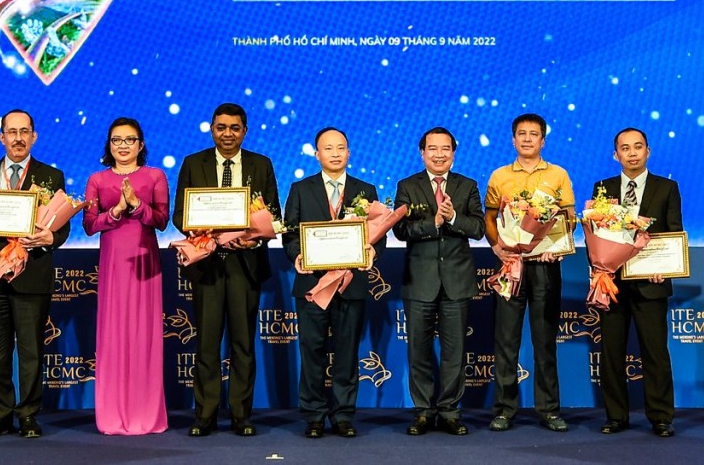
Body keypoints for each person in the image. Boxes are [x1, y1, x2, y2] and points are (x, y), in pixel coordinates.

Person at [172, 103, 280, 437]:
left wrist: (253, 238)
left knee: (243, 344)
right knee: (206, 343)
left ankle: (241, 415)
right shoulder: (193, 163)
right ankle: (204, 415)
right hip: (207, 266)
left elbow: (273, 214)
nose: (227, 134)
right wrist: (195, 229)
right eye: (221, 127)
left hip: (245, 265)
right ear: (211, 129)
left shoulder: (261, 164)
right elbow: (180, 214)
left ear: (245, 131)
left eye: (234, 127)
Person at [0, 110, 69, 439]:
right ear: (2, 137)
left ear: (34, 137)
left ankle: (28, 415)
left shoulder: (51, 176)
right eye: (12, 132)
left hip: (32, 273)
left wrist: (51, 237)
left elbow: (61, 227)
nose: (18, 138)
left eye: (25, 132)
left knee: (31, 349)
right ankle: (0, 413)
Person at [282, 127, 381, 439]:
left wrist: (372, 251)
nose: (335, 153)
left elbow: (378, 234)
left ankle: (343, 416)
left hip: (349, 284)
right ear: (317, 154)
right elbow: (290, 234)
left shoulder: (366, 190)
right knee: (312, 351)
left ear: (349, 153)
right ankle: (313, 416)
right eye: (328, 148)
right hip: (313, 285)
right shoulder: (301, 189)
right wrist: (298, 255)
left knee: (347, 353)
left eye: (340, 148)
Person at [484, 113, 575, 432]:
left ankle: (549, 410)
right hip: (511, 266)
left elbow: (568, 217)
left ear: (542, 141)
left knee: (544, 341)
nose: (527, 139)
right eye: (521, 133)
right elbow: (490, 216)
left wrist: (558, 245)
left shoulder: (558, 174)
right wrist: (497, 246)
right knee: (506, 341)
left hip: (545, 267)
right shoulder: (499, 176)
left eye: (533, 134)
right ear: (513, 139)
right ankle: (504, 409)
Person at [393, 127, 485, 436]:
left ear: (453, 153)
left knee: (454, 352)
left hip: (456, 281)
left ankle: (449, 411)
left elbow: (478, 228)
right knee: (418, 350)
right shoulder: (407, 186)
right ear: (422, 153)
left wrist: (454, 217)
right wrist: (433, 223)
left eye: (445, 148)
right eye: (433, 148)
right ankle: (422, 411)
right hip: (420, 280)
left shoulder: (467, 186)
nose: (439, 154)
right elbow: (400, 230)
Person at [592, 127, 681, 438]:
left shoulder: (667, 187)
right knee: (611, 353)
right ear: (616, 154)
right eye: (625, 148)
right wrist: (601, 267)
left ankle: (661, 417)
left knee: (655, 353)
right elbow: (596, 234)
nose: (632, 153)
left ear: (648, 151)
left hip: (651, 283)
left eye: (638, 147)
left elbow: (673, 232)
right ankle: (616, 416)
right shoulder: (603, 188)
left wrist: (665, 267)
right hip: (612, 283)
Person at [83, 117, 169, 435]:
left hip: (144, 263)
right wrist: (117, 211)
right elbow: (89, 225)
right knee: (114, 334)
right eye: (116, 140)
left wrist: (137, 205)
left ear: (140, 144)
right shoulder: (97, 179)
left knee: (144, 335)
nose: (123, 145)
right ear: (109, 144)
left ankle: (145, 413)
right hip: (113, 264)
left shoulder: (155, 176)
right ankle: (112, 413)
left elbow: (161, 220)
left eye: (129, 140)